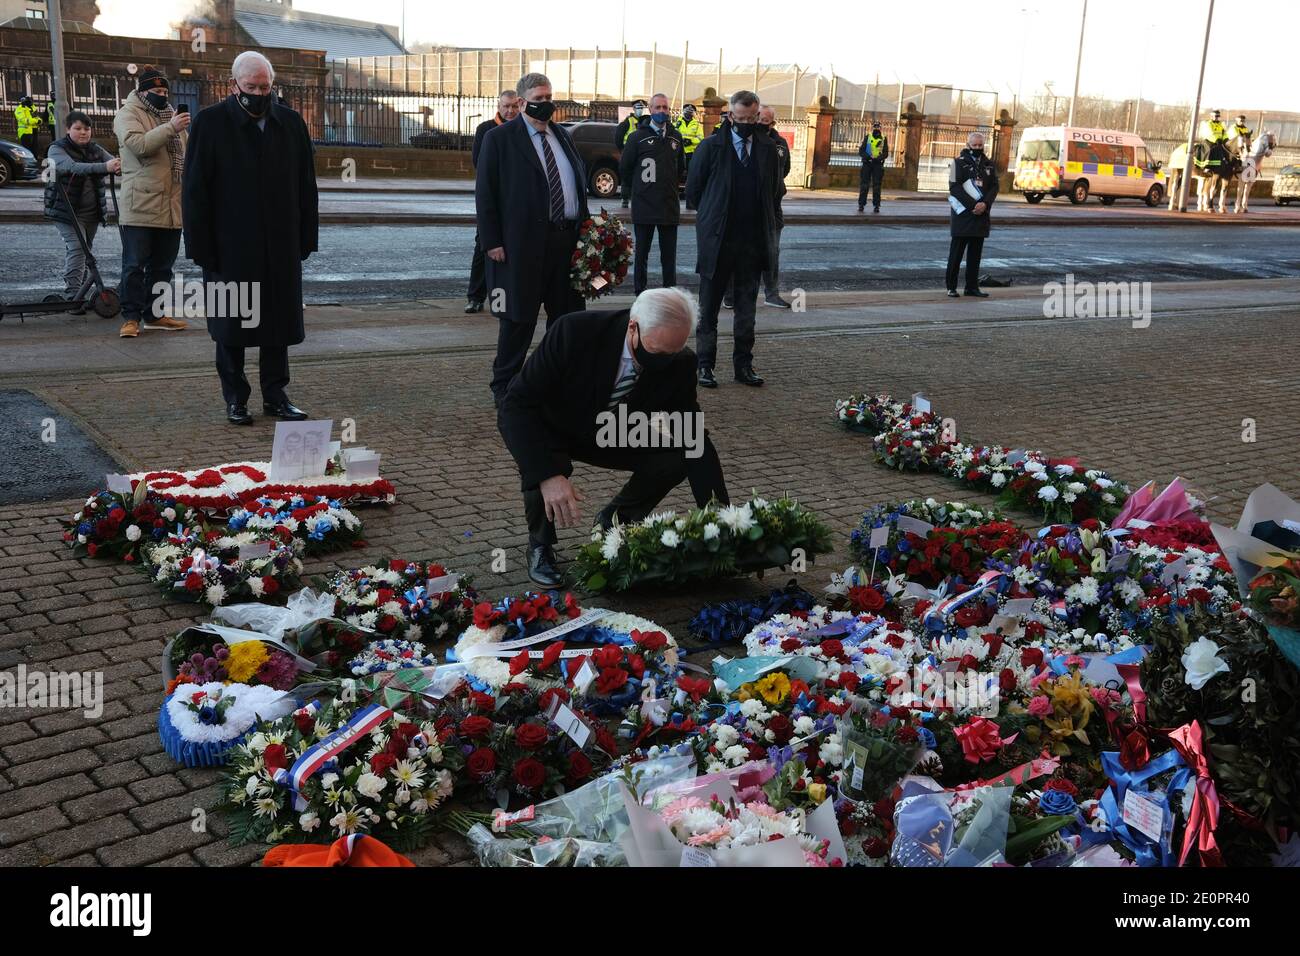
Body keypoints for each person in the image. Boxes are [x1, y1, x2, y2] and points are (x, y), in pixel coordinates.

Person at [497, 287, 729, 586]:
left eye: (675, 352)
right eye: (658, 352)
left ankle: (615, 520)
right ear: (634, 326)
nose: (666, 361)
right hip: (552, 424)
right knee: (538, 460)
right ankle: (541, 547)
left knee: (677, 454)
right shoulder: (574, 331)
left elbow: (691, 434)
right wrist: (548, 475)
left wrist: (723, 521)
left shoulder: (680, 362)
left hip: (612, 429)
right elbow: (515, 407)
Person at [182, 50, 319, 426]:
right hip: (230, 247)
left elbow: (306, 185)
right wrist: (199, 246)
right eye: (251, 86)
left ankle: (276, 396)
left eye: (265, 86)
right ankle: (235, 399)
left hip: (279, 245)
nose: (259, 93)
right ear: (233, 85)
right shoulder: (210, 124)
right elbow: (194, 190)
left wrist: (306, 238)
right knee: (232, 326)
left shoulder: (290, 123)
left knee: (276, 325)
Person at [475, 71, 588, 405]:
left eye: (549, 98)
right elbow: (486, 194)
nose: (546, 105)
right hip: (521, 246)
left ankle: (557, 382)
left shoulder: (563, 136)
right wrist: (492, 241)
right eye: (539, 99)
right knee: (518, 320)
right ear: (522, 102)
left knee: (567, 320)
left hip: (566, 244)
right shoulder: (500, 139)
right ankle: (505, 388)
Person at [686, 90, 782, 389]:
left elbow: (775, 191)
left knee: (746, 312)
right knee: (709, 310)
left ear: (758, 116)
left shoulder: (768, 149)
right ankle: (705, 366)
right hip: (718, 243)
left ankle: (744, 365)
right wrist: (714, 215)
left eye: (751, 119)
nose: (745, 124)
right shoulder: (711, 147)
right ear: (730, 116)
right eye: (739, 119)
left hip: (751, 246)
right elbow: (694, 192)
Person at [113, 67, 190, 338]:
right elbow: (139, 145)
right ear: (142, 91)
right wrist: (171, 128)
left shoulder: (171, 117)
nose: (162, 95)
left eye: (165, 91)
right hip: (141, 204)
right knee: (134, 265)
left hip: (172, 205)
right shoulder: (128, 114)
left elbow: (186, 156)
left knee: (162, 267)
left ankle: (155, 315)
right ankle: (131, 318)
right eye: (157, 91)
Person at [44, 110, 121, 313]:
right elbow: (72, 167)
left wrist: (118, 165)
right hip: (66, 211)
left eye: (87, 128)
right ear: (68, 129)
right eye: (78, 128)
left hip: (91, 212)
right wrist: (105, 166)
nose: (83, 132)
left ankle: (79, 294)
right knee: (78, 249)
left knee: (85, 251)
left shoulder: (94, 149)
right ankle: (73, 296)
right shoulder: (56, 149)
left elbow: (112, 162)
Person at [619, 93, 684, 295]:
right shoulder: (637, 137)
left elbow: (681, 168)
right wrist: (639, 190)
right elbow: (625, 169)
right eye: (658, 108)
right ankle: (640, 293)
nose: (662, 111)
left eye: (665, 108)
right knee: (642, 255)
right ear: (650, 109)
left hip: (668, 205)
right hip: (645, 205)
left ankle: (670, 294)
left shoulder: (675, 137)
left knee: (669, 256)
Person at [465, 89, 521, 314]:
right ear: (498, 106)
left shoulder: (524, 131)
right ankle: (475, 296)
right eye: (506, 106)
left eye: (514, 107)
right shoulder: (486, 130)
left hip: (518, 202)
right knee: (484, 246)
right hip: (495, 201)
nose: (510, 111)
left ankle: (509, 298)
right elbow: (481, 165)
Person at [945, 131, 998, 298]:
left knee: (975, 255)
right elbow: (954, 187)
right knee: (956, 254)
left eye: (980, 145)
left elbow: (994, 187)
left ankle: (971, 287)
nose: (977, 148)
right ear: (968, 145)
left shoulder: (989, 164)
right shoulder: (956, 163)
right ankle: (951, 287)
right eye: (974, 145)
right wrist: (973, 205)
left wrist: (985, 204)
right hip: (963, 215)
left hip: (981, 215)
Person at [857, 120, 889, 213]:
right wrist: (868, 157)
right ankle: (861, 204)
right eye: (875, 127)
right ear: (873, 127)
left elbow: (886, 153)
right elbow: (861, 151)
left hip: (877, 165)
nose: (876, 128)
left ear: (880, 128)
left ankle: (876, 206)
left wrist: (878, 158)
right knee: (864, 185)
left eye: (877, 127)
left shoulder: (883, 138)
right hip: (867, 163)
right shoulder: (868, 137)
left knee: (877, 186)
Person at [676, 103, 704, 172]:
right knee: (678, 170)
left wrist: (691, 141)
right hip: (679, 150)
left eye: (690, 112)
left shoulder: (697, 124)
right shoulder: (677, 123)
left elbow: (701, 138)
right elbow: (674, 135)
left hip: (691, 152)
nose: (688, 113)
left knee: (691, 171)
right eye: (686, 111)